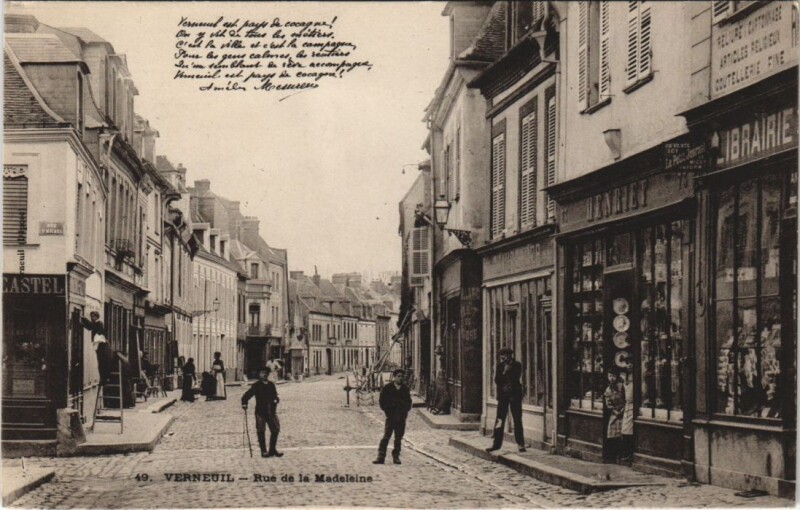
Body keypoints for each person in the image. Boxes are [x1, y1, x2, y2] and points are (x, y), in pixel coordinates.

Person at [487, 347, 526, 453]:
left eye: (505, 355)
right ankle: (496, 444)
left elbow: (516, 377)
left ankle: (520, 444)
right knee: (500, 420)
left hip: (515, 396)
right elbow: (497, 380)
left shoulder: (517, 365)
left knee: (517, 420)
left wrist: (509, 371)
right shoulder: (500, 367)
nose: (503, 358)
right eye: (502, 356)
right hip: (503, 397)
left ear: (510, 355)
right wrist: (504, 372)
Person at [241, 366, 282, 458]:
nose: (264, 374)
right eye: (262, 373)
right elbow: (247, 395)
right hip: (260, 411)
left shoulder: (271, 385)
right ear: (259, 374)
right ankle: (263, 451)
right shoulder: (256, 385)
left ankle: (272, 449)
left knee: (275, 430)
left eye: (266, 373)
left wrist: (276, 400)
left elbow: (275, 396)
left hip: (271, 411)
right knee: (261, 430)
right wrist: (244, 403)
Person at [373, 368, 412, 465]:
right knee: (386, 437)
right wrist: (388, 410)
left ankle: (396, 456)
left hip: (401, 418)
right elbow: (382, 401)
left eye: (402, 377)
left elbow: (409, 403)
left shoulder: (405, 389)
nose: (400, 378)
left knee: (398, 438)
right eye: (398, 376)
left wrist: (404, 410)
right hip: (391, 417)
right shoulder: (387, 388)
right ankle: (381, 456)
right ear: (394, 377)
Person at [604, 368, 625, 463]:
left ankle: (620, 456)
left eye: (613, 376)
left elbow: (626, 399)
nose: (611, 378)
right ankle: (612, 456)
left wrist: (622, 410)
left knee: (622, 435)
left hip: (623, 413)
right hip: (614, 414)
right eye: (609, 376)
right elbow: (608, 404)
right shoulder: (608, 390)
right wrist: (615, 412)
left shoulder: (622, 387)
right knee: (612, 434)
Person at [620, 367, 634, 462]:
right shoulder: (623, 385)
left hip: (632, 408)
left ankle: (629, 453)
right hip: (626, 408)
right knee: (625, 430)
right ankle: (626, 453)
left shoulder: (633, 385)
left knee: (628, 430)